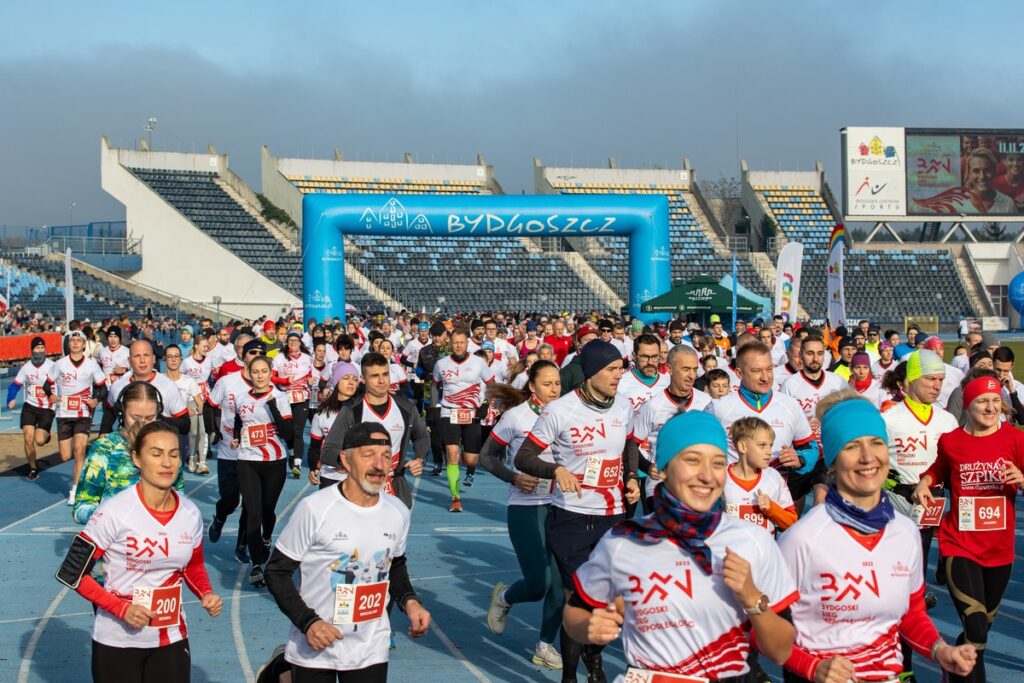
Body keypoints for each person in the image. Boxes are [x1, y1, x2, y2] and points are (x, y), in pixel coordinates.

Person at [564, 410, 798, 681]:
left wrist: (753, 599)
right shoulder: (624, 541)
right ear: (663, 468)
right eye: (692, 460)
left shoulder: (753, 540)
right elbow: (575, 612)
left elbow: (782, 651)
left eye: (718, 463)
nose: (707, 476)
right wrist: (588, 627)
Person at [779, 392, 976, 683]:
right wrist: (812, 667)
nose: (868, 457)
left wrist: (940, 650)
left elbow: (911, 615)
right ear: (831, 462)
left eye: (876, 443)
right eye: (851, 446)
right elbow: (764, 628)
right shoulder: (801, 539)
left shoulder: (905, 532)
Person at [56, 421, 223, 683]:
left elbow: (193, 565)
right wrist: (121, 609)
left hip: (171, 636)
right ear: (137, 459)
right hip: (117, 640)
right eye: (156, 454)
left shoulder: (190, 513)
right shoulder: (114, 512)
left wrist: (206, 592)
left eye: (173, 455)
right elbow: (71, 572)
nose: (166, 463)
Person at [264, 423, 431, 683]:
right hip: (316, 642)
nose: (379, 465)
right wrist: (309, 622)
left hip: (370, 645)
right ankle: (282, 672)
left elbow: (395, 564)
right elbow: (276, 572)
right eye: (368, 455)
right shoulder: (315, 509)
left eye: (386, 456)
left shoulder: (397, 511)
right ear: (346, 460)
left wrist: (410, 601)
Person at [514, 339, 640, 683]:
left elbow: (630, 443)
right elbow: (523, 457)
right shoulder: (560, 410)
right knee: (578, 600)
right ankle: (569, 676)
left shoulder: (624, 406)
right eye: (611, 370)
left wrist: (631, 477)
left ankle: (593, 656)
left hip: (613, 516)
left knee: (610, 600)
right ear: (591, 373)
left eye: (620, 369)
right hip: (570, 517)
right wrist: (556, 470)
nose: (618, 376)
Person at [914, 374, 1024, 683]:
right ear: (968, 405)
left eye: (995, 401)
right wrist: (926, 481)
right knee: (976, 627)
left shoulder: (1016, 440)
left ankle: (952, 664)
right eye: (982, 401)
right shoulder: (951, 440)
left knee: (979, 634)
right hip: (959, 544)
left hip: (999, 551)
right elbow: (940, 468)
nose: (990, 408)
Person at [480, 360, 565, 670]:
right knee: (540, 583)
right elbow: (486, 456)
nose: (554, 389)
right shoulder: (515, 417)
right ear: (532, 386)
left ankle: (544, 645)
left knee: (562, 585)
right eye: (547, 384)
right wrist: (514, 477)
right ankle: (505, 597)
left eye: (558, 383)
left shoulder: (568, 413)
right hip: (526, 507)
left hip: (562, 506)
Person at [707, 341, 819, 509]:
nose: (765, 377)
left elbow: (811, 447)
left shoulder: (789, 405)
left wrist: (800, 460)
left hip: (777, 503)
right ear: (739, 373)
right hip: (731, 504)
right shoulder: (718, 407)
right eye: (756, 371)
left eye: (769, 369)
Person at [320, 352, 428, 509]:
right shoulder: (351, 410)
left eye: (385, 374)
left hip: (394, 488)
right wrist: (350, 461)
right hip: (360, 491)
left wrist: (420, 459)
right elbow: (328, 451)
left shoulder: (406, 408)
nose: (382, 381)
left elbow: (422, 436)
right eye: (375, 376)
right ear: (363, 379)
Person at [73, 381, 185, 524]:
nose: (142, 424)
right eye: (135, 418)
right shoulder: (104, 449)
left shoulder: (168, 446)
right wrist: (110, 517)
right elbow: (81, 507)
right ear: (121, 413)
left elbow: (179, 496)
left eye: (150, 418)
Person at [230, 354, 294, 588]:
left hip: (275, 461)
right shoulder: (240, 398)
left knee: (268, 511)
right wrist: (237, 437)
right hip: (248, 460)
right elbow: (239, 420)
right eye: (255, 372)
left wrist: (273, 407)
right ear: (249, 373)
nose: (259, 376)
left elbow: (288, 434)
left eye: (264, 371)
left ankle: (266, 539)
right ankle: (257, 566)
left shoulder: (280, 397)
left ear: (270, 373)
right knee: (253, 513)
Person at [628, 344, 712, 510]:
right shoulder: (653, 406)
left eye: (695, 370)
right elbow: (631, 443)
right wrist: (647, 467)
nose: (691, 376)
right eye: (686, 369)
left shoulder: (706, 402)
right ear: (669, 369)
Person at [432, 329, 494, 511]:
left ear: (467, 344)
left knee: (471, 459)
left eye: (461, 342)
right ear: (450, 344)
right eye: (455, 342)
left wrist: (486, 404)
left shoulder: (478, 363)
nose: (458, 346)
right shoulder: (441, 364)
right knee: (452, 453)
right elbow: (435, 385)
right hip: (449, 411)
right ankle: (455, 497)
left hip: (471, 412)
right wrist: (434, 407)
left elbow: (492, 384)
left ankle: (469, 470)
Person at [45, 329, 108, 504]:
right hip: (64, 413)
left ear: (83, 345)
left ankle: (75, 491)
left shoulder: (91, 365)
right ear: (68, 344)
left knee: (79, 449)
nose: (75, 343)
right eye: (72, 340)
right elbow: (46, 385)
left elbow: (103, 388)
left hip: (83, 413)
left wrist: (96, 400)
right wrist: (51, 395)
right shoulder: (60, 364)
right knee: (65, 456)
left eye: (78, 341)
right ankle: (84, 466)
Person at [724, 417, 797, 535]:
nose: (769, 452)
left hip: (766, 547)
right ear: (742, 447)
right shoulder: (720, 478)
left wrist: (772, 508)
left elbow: (792, 523)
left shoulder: (774, 478)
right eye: (762, 445)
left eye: (770, 445)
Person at [105, 340, 191, 437]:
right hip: (127, 443)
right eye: (137, 356)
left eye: (146, 355)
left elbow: (185, 426)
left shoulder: (168, 386)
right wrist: (103, 433)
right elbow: (109, 414)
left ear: (153, 359)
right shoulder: (118, 386)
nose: (142, 360)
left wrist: (156, 419)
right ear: (129, 360)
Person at [7, 336, 55, 480]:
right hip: (30, 406)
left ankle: (46, 435)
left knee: (39, 440)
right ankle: (33, 468)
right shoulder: (27, 367)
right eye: (37, 348)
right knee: (28, 438)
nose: (40, 351)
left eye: (42, 348)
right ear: (32, 350)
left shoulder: (53, 366)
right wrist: (10, 398)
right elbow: (15, 385)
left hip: (47, 407)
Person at [307, 362, 361, 489]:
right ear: (336, 382)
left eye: (355, 379)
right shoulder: (322, 413)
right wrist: (313, 468)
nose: (351, 382)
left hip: (357, 476)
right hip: (329, 475)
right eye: (346, 378)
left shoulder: (362, 410)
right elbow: (315, 447)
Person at [272, 331, 315, 479]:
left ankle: (297, 464)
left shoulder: (307, 358)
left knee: (298, 431)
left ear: (300, 342)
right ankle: (291, 452)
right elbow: (272, 377)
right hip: (284, 397)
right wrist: (284, 381)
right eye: (290, 340)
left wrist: (310, 380)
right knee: (287, 431)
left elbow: (311, 375)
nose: (292, 342)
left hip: (302, 398)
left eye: (295, 340)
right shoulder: (279, 357)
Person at [164, 344, 207, 473]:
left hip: (181, 427)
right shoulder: (160, 380)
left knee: (178, 465)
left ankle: (193, 457)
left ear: (181, 359)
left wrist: (193, 411)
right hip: (164, 426)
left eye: (176, 356)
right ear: (164, 359)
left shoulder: (188, 381)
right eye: (170, 357)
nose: (173, 360)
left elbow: (200, 405)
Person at [415, 322, 448, 476]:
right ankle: (437, 462)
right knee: (434, 432)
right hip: (431, 396)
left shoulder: (452, 350)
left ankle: (449, 457)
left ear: (445, 335)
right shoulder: (424, 351)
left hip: (450, 397)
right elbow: (418, 369)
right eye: (433, 335)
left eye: (439, 335)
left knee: (448, 431)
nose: (436, 338)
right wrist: (423, 375)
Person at [182, 336, 214, 473]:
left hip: (205, 398)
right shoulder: (187, 362)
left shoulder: (209, 361)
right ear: (196, 346)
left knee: (203, 431)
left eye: (207, 346)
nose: (206, 349)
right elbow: (181, 378)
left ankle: (202, 462)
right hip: (191, 398)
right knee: (194, 432)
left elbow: (212, 378)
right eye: (204, 346)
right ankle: (192, 457)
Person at [615, 333, 668, 413]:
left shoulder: (668, 383)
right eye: (645, 357)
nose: (650, 362)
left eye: (654, 356)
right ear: (634, 356)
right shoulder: (620, 383)